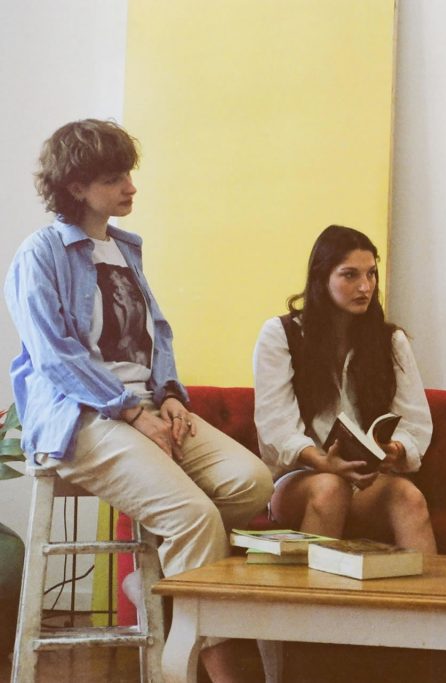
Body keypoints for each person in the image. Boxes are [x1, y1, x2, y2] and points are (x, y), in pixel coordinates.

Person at [5, 119, 274, 682]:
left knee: (252, 482)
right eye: (113, 178)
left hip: (145, 405)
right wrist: (129, 411)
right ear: (76, 187)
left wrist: (170, 396)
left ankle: (155, 580)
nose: (130, 186)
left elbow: (155, 337)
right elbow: (55, 356)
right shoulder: (41, 253)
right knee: (193, 517)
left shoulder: (125, 248)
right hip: (79, 416)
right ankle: (213, 668)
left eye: (128, 173)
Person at [253, 225, 436, 554]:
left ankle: (428, 590)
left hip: (365, 480)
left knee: (410, 497)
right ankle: (312, 590)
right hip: (301, 478)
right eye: (350, 275)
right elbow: (276, 427)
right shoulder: (281, 334)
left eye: (371, 274)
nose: (365, 287)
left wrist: (395, 449)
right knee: (330, 489)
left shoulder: (390, 340)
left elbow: (415, 420)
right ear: (321, 277)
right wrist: (323, 462)